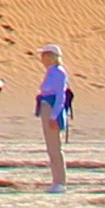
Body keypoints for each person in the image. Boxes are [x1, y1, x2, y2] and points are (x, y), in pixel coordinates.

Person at [34, 44, 75, 189]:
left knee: (55, 147)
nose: (42, 58)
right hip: (46, 108)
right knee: (51, 148)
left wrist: (54, 116)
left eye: (44, 55)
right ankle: (56, 180)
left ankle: (60, 182)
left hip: (52, 110)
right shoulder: (51, 72)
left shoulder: (59, 72)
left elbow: (60, 96)